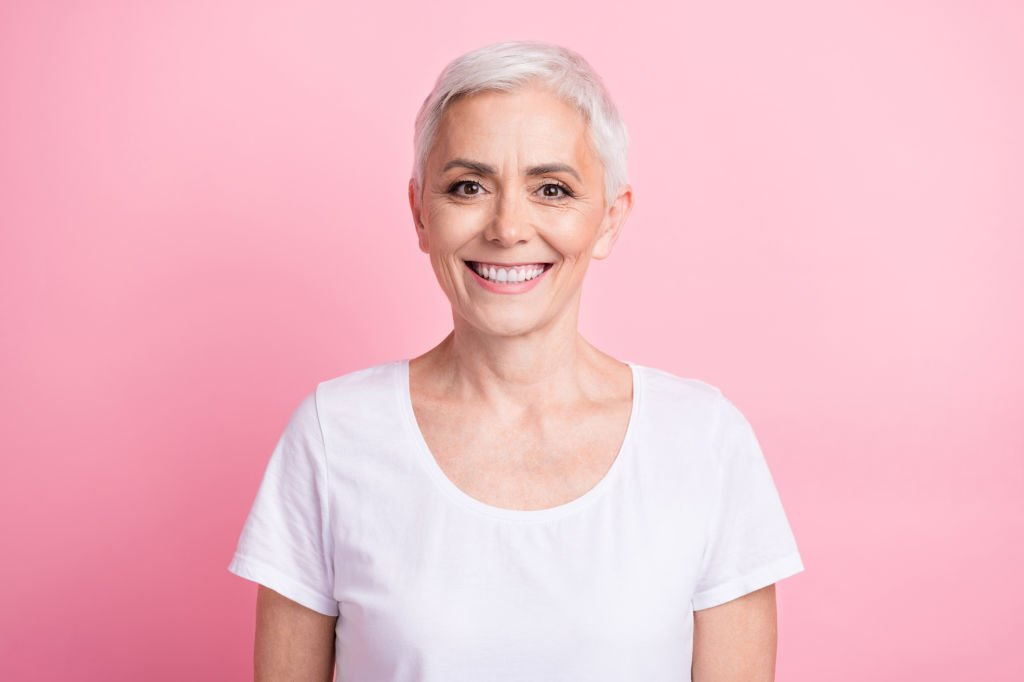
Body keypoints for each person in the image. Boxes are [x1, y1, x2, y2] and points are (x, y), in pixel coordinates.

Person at [228, 40, 804, 681]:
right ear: (420, 213)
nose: (507, 228)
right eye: (468, 186)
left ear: (609, 220)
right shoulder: (334, 434)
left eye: (552, 189)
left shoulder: (703, 440)